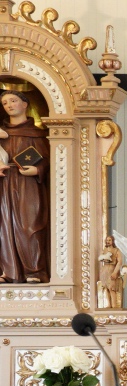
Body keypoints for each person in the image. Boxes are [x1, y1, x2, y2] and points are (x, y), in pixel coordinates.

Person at [0, 85, 48, 283]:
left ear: (25, 104)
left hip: (28, 185)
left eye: (13, 101)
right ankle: (8, 272)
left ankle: (34, 271)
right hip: (3, 182)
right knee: (3, 226)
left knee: (30, 226)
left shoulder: (36, 133)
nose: (9, 105)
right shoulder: (1, 133)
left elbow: (50, 160)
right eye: (4, 103)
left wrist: (37, 170)